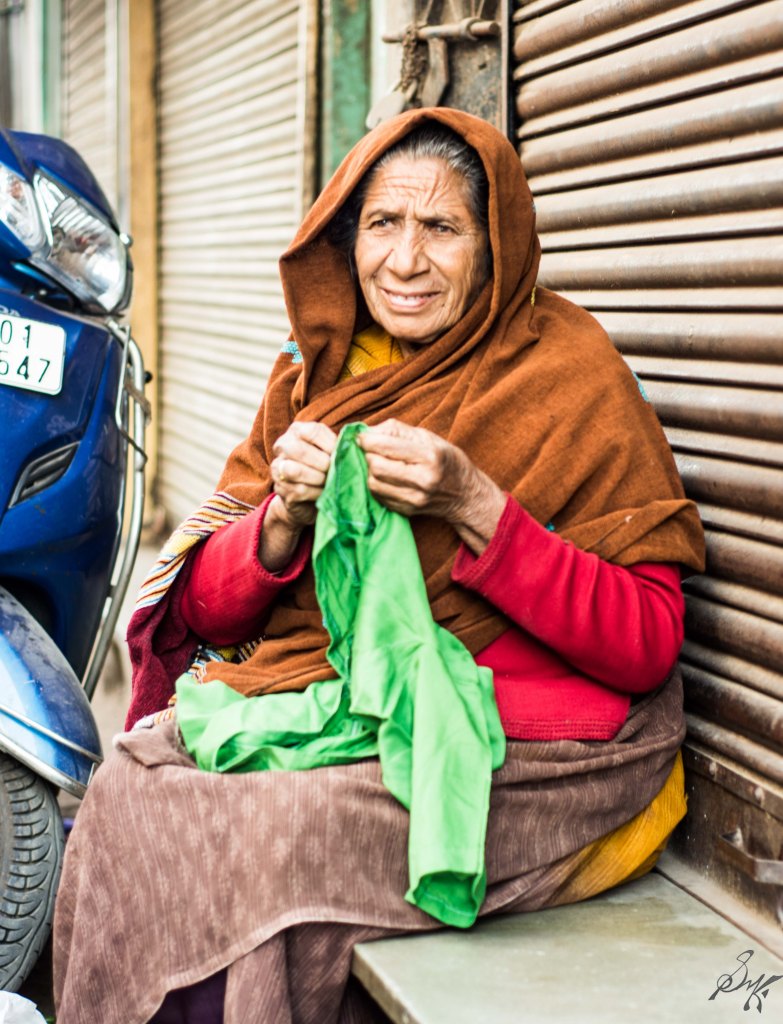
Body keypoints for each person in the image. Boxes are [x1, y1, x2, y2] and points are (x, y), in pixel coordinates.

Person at [53, 108, 705, 1024]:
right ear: (346, 239)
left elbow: (644, 643)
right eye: (382, 225)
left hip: (531, 737)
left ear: (494, 244)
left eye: (441, 228)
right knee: (131, 779)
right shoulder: (312, 374)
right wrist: (282, 520)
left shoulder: (569, 374)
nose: (404, 262)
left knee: (270, 835)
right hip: (333, 698)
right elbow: (208, 612)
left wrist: (476, 508)